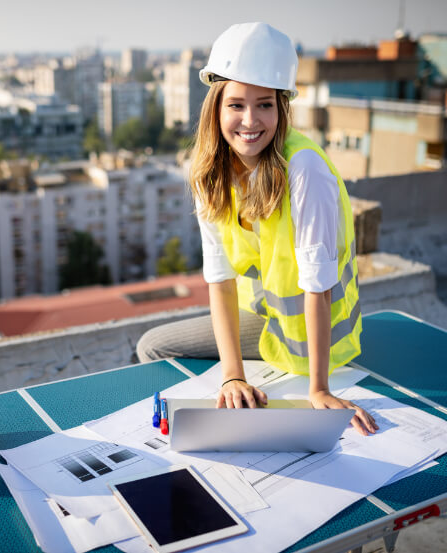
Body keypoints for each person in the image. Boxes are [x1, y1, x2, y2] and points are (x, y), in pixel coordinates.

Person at [137, 22, 377, 435]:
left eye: (264, 104)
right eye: (236, 105)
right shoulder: (208, 172)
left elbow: (317, 287)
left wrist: (318, 389)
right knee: (152, 346)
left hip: (311, 339)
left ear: (282, 108)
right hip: (265, 322)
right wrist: (232, 376)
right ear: (216, 107)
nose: (250, 121)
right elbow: (221, 280)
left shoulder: (304, 169)